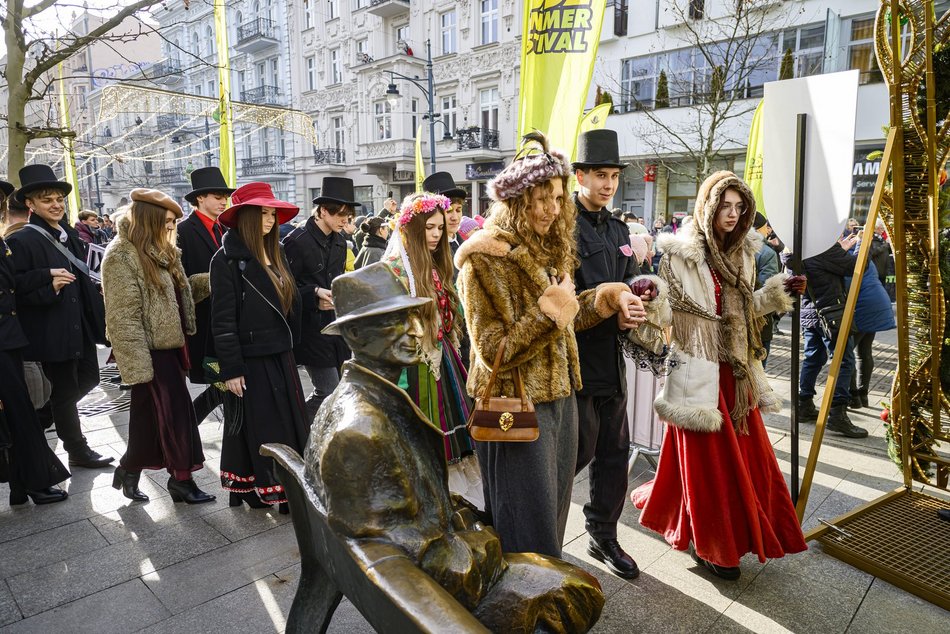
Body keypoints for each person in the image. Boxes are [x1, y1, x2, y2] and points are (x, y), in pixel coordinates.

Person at [305, 263, 605, 632]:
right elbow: (419, 555)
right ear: (353, 333)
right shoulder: (361, 431)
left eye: (413, 318)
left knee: (561, 576)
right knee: (576, 589)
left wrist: (472, 523)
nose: (416, 332)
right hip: (429, 593)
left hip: (431, 561)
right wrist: (490, 544)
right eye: (393, 323)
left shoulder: (369, 400)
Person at [455, 132, 642, 558]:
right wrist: (548, 313)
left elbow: (566, 316)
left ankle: (544, 593)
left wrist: (605, 297)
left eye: (558, 198)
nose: (552, 209)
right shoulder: (484, 258)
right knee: (525, 519)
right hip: (515, 405)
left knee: (553, 514)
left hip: (560, 399)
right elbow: (491, 349)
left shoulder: (546, 249)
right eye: (542, 199)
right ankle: (525, 606)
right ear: (517, 201)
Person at [631, 171, 808, 581]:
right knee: (705, 466)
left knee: (746, 463)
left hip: (738, 374)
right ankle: (714, 544)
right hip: (697, 367)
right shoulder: (680, 254)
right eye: (725, 206)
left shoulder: (744, 253)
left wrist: (780, 292)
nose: (732, 215)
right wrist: (650, 294)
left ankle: (736, 531)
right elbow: (669, 313)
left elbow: (746, 310)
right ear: (708, 207)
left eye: (739, 207)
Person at [571, 129, 654, 580]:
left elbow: (633, 280)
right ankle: (537, 536)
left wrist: (637, 307)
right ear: (579, 175)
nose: (607, 184)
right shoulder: (561, 225)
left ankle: (603, 535)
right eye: (599, 175)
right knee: (574, 454)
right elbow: (561, 299)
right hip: (573, 364)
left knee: (613, 454)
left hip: (612, 362)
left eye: (614, 176)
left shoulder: (620, 228)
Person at [102, 189, 212, 504]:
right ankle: (181, 481)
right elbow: (122, 317)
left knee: (148, 420)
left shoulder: (163, 250)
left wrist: (215, 278)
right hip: (148, 353)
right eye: (165, 221)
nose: (169, 227)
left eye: (172, 222)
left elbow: (180, 293)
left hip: (172, 348)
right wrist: (138, 368)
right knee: (177, 416)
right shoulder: (121, 254)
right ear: (148, 219)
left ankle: (128, 468)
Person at [7, 165, 112, 469]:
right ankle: (77, 449)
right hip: (51, 329)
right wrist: (48, 285)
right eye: (46, 200)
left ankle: (39, 420)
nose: (55, 205)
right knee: (66, 391)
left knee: (90, 378)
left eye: (58, 199)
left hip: (78, 325)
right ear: (30, 204)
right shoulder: (23, 240)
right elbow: (14, 287)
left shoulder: (69, 236)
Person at [210, 182, 308, 510]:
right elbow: (222, 321)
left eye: (272, 213)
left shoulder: (276, 252)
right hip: (252, 358)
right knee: (266, 427)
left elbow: (288, 303)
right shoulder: (226, 260)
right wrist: (232, 369)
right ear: (246, 217)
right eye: (263, 213)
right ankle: (274, 490)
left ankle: (272, 488)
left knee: (283, 424)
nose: (270, 219)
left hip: (281, 354)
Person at [380, 192, 480, 505]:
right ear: (412, 228)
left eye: (440, 228)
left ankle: (450, 500)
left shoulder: (437, 266)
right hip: (411, 363)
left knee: (451, 433)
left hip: (443, 357)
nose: (437, 234)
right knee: (419, 435)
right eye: (429, 228)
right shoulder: (393, 268)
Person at [0, 181, 70, 505]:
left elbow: (12, 281)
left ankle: (20, 485)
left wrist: (45, 276)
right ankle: (37, 483)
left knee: (18, 413)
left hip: (9, 340)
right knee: (20, 413)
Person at [284, 177, 357, 423]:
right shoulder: (296, 241)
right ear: (323, 210)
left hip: (337, 327)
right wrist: (314, 294)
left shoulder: (339, 241)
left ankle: (321, 437)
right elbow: (284, 287)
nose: (345, 220)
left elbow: (337, 279)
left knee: (341, 393)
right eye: (340, 214)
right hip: (310, 331)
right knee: (328, 391)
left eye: (349, 215)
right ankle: (294, 429)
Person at [177, 167, 236, 424]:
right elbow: (180, 282)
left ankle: (192, 424)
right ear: (200, 198)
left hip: (228, 322)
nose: (223, 201)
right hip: (203, 326)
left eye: (225, 196)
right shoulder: (182, 231)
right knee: (222, 382)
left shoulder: (227, 228)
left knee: (229, 382)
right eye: (216, 196)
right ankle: (189, 423)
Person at [798, 233, 868, 437]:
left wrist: (840, 250)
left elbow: (824, 266)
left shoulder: (802, 247)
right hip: (831, 313)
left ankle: (804, 404)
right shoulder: (824, 247)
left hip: (811, 311)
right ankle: (838, 414)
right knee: (844, 361)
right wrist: (863, 246)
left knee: (813, 357)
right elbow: (857, 268)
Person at [753, 212, 780, 367]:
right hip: (759, 321)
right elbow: (768, 290)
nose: (767, 231)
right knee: (758, 373)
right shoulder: (766, 252)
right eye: (765, 228)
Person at [422, 172, 468, 253]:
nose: (455, 217)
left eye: (458, 210)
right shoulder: (430, 250)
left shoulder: (465, 244)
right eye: (449, 211)